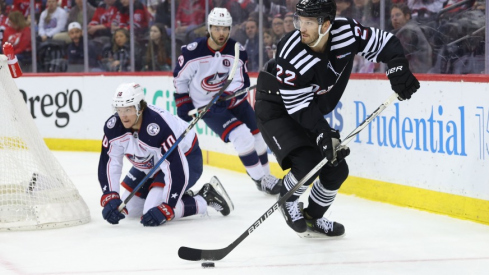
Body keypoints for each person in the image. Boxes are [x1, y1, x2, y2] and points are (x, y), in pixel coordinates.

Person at [254, 0, 420, 237]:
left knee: (336, 168)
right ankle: (287, 198)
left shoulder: (347, 32)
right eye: (300, 21)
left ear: (327, 24)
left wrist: (397, 67)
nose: (302, 28)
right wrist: (323, 134)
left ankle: (313, 216)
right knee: (308, 162)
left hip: (308, 105)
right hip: (275, 107)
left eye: (309, 22)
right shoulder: (290, 52)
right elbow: (297, 105)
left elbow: (385, 42)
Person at [173, 7, 283, 195]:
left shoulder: (237, 50)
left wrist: (228, 95)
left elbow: (242, 80)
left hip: (234, 102)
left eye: (225, 28)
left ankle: (265, 177)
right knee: (242, 137)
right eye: (217, 28)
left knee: (259, 138)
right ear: (209, 28)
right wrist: (184, 106)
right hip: (206, 107)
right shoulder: (192, 53)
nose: (221, 33)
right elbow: (179, 80)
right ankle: (261, 178)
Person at [98, 82, 234, 226]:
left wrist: (168, 206)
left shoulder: (157, 127)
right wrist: (110, 195)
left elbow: (175, 167)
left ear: (139, 107)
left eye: (128, 109)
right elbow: (110, 162)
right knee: (130, 209)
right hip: (150, 162)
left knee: (152, 209)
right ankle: (178, 196)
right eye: (119, 110)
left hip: (186, 157)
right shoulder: (113, 128)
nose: (123, 116)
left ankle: (204, 198)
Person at [390, 3, 432, 73]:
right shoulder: (411, 28)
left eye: (398, 15)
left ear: (407, 16)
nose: (394, 18)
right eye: (392, 16)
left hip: (414, 75)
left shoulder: (408, 31)